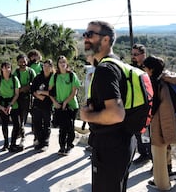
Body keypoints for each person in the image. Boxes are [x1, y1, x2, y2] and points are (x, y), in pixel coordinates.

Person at [80, 20, 136, 192]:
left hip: (110, 147)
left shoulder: (105, 70)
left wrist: (86, 116)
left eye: (90, 34)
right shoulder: (118, 64)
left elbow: (116, 114)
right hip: (124, 142)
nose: (85, 38)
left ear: (105, 40)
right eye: (85, 34)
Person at [142, 56, 176, 191]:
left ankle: (163, 185)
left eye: (145, 67)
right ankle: (161, 181)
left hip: (158, 124)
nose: (144, 70)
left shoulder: (154, 84)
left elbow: (153, 106)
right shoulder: (163, 82)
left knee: (158, 155)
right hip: (166, 122)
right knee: (162, 152)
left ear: (151, 69)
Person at [49, 55, 80, 155]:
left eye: (64, 62)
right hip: (59, 106)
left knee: (70, 127)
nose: (62, 64)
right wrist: (55, 102)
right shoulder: (55, 76)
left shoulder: (72, 75)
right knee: (62, 128)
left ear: (67, 64)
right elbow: (50, 91)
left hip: (71, 105)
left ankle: (69, 145)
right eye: (60, 62)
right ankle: (62, 147)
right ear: (57, 65)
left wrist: (66, 102)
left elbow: (74, 92)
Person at [131, 43, 152, 165]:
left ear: (143, 54)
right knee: (138, 132)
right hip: (136, 104)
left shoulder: (150, 66)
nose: (133, 57)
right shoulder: (132, 67)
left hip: (148, 105)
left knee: (148, 133)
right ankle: (143, 154)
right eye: (132, 54)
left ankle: (152, 156)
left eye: (136, 54)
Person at [0, 61, 21, 152]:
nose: (6, 69)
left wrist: (11, 105)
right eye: (4, 67)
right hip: (2, 104)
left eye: (8, 67)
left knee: (17, 125)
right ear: (1, 69)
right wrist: (0, 106)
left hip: (13, 104)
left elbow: (17, 94)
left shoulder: (14, 79)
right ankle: (5, 143)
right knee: (4, 124)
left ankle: (13, 143)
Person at [30, 59, 54, 151]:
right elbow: (32, 89)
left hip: (48, 105)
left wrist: (42, 92)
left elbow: (53, 92)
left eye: (48, 66)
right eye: (44, 66)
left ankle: (45, 143)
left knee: (46, 124)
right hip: (37, 104)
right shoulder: (38, 77)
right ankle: (39, 141)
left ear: (52, 68)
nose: (46, 68)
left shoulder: (53, 78)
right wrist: (38, 95)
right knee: (37, 124)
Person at [13, 54, 36, 146]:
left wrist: (28, 87)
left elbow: (35, 84)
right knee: (19, 119)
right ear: (17, 62)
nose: (23, 63)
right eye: (20, 62)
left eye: (24, 61)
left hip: (29, 98)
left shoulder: (31, 72)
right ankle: (21, 134)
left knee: (25, 118)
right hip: (18, 98)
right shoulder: (16, 73)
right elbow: (14, 86)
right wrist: (23, 88)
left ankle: (30, 135)